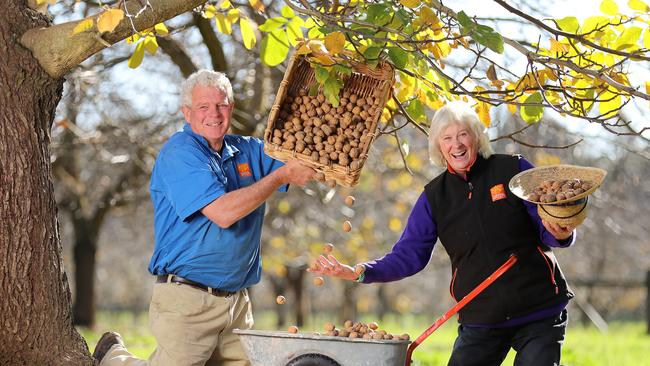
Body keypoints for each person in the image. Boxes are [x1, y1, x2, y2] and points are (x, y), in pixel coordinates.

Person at [309, 101, 578, 366]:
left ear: (477, 137)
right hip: (480, 316)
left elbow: (548, 226)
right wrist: (360, 271)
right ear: (439, 146)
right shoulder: (434, 197)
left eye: (463, 134)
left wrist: (561, 232)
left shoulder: (514, 170)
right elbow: (408, 255)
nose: (456, 144)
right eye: (447, 138)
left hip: (538, 309)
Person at [93, 70, 315, 366]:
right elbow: (223, 213)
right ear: (187, 112)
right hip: (189, 300)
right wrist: (280, 177)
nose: (214, 114)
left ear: (231, 108)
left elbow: (301, 159)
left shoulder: (248, 149)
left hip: (236, 303)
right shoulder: (180, 153)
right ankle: (112, 357)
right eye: (203, 107)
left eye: (222, 105)